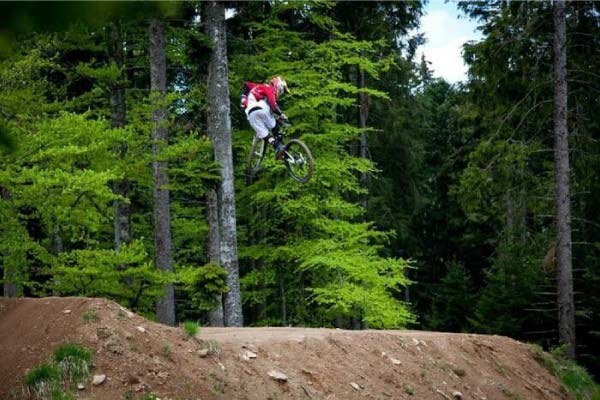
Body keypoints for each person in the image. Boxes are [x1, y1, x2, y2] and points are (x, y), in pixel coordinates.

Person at [241, 76, 289, 158]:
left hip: (251, 114)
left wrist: (243, 98)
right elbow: (273, 105)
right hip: (262, 109)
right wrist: (281, 114)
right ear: (279, 86)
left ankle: (277, 146)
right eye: (282, 91)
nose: (281, 94)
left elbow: (246, 84)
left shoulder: (257, 88)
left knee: (265, 136)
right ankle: (280, 145)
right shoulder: (268, 88)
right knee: (274, 126)